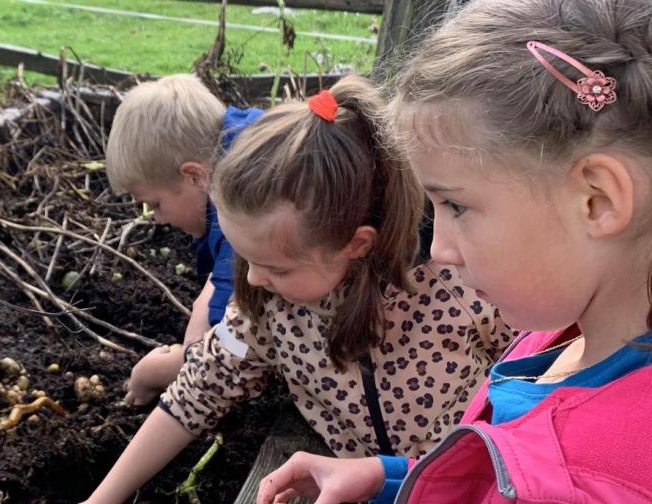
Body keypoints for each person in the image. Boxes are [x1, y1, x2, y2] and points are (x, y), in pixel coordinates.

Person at [255, 1, 652, 502]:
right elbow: (509, 466)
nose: (439, 249)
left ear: (596, 200)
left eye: (456, 206)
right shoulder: (567, 326)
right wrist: (391, 477)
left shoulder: (585, 482)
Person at [84, 75, 516, 503]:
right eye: (244, 258)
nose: (252, 279)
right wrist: (104, 497)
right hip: (349, 485)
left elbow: (539, 378)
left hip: (469, 484)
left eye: (275, 267)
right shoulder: (268, 307)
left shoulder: (459, 285)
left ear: (355, 244)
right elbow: (197, 391)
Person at [104, 74, 263, 406]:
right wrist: (199, 317)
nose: (156, 217)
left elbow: (232, 351)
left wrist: (162, 370)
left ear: (194, 175)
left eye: (156, 203)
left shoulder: (244, 209)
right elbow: (222, 274)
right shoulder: (244, 139)